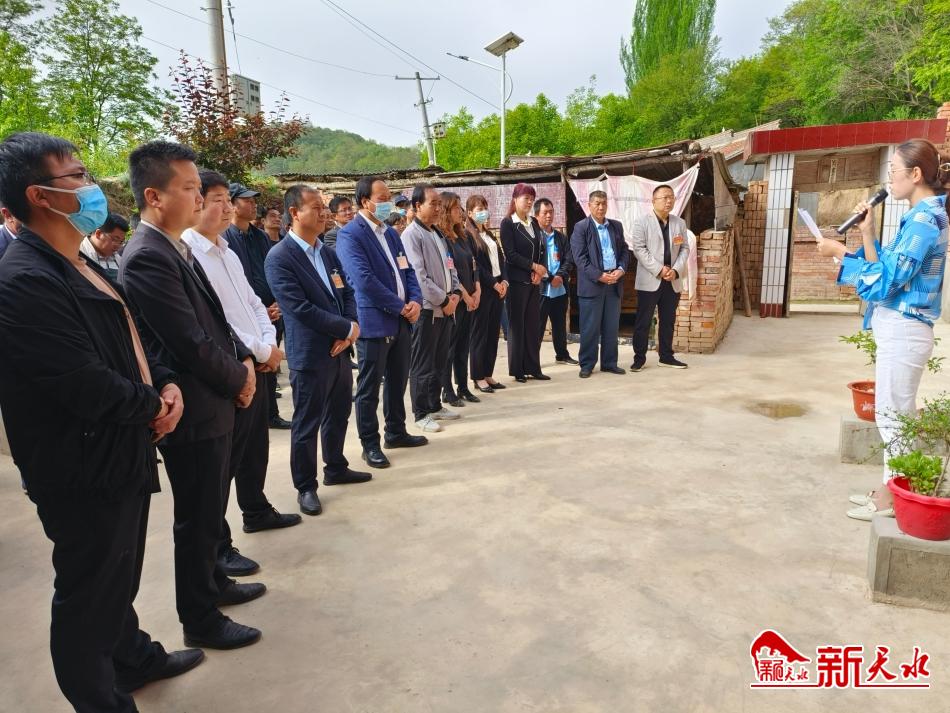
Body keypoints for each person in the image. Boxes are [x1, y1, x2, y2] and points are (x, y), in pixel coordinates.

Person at [0, 132, 203, 712]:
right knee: (89, 596)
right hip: (82, 466)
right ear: (39, 195)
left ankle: (134, 658)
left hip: (119, 451)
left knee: (118, 577)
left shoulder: (78, 262)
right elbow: (82, 382)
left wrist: (165, 382)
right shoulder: (24, 280)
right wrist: (154, 406)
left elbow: (129, 338)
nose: (91, 186)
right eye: (77, 176)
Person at [120, 140, 263, 651]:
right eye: (188, 188)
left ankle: (214, 584)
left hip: (213, 400)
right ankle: (199, 617)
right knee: (197, 516)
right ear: (154, 196)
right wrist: (239, 379)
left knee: (210, 510)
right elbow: (188, 341)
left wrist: (243, 362)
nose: (200, 199)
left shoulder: (174, 246)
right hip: (195, 407)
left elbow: (216, 322)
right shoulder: (147, 256)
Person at [817, 139, 950, 521]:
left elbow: (886, 283)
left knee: (894, 418)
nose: (889, 179)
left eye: (893, 171)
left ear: (915, 174)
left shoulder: (924, 222)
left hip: (906, 329)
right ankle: (891, 492)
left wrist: (841, 255)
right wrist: (867, 233)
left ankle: (894, 499)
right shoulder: (921, 217)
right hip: (899, 327)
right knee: (894, 414)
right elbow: (885, 272)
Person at [182, 170, 301, 548]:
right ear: (195, 203)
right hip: (231, 369)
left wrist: (267, 345)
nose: (227, 208)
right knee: (222, 465)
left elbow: (252, 304)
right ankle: (219, 545)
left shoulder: (226, 252)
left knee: (254, 448)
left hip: (257, 361)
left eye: (227, 201)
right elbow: (216, 322)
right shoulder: (188, 255)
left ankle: (256, 509)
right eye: (217, 200)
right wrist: (261, 351)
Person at [265, 185, 371, 517]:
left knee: (338, 412)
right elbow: (299, 308)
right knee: (307, 423)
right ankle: (305, 486)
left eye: (324, 207)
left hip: (340, 351)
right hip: (311, 354)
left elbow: (347, 292)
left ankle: (335, 466)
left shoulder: (326, 252)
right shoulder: (280, 257)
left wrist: (351, 326)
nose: (324, 212)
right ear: (294, 213)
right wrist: (345, 329)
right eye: (315, 207)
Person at [336, 176, 427, 469]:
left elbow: (408, 270)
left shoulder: (390, 233)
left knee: (398, 380)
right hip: (374, 321)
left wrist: (415, 301)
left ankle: (396, 431)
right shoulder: (351, 235)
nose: (389, 203)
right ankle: (370, 444)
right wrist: (401, 307)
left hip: (402, 320)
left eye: (390, 197)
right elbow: (363, 281)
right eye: (383, 198)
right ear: (366, 201)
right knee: (369, 387)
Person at [225, 183, 290, 430]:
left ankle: (271, 413)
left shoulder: (260, 236)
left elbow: (269, 271)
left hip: (269, 311)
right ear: (233, 205)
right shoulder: (225, 239)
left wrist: (275, 303)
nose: (253, 205)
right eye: (247, 201)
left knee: (270, 362)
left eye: (254, 201)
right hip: (245, 315)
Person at [402, 184, 462, 432]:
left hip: (447, 307)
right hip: (428, 310)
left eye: (439, 204)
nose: (438, 208)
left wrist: (455, 293)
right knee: (423, 363)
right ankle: (420, 412)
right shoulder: (411, 235)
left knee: (440, 360)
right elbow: (419, 277)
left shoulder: (437, 233)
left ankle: (435, 405)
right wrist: (444, 300)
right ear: (417, 206)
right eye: (433, 204)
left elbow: (451, 266)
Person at [630, 184, 690, 371]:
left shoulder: (679, 223)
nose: (669, 201)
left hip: (672, 280)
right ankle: (639, 358)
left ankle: (666, 356)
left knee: (668, 320)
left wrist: (676, 270)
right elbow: (639, 249)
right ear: (653, 200)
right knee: (643, 321)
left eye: (671, 197)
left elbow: (685, 249)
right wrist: (659, 270)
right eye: (664, 197)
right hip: (650, 279)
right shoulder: (641, 222)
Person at [571, 190, 629, 378]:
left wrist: (621, 269)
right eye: (597, 203)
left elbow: (624, 250)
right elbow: (580, 259)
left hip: (614, 282)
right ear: (589, 205)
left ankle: (609, 363)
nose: (601, 207)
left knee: (611, 327)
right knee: (590, 328)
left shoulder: (616, 226)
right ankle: (587, 365)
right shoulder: (581, 227)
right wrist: (600, 275)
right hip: (592, 285)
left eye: (604, 203)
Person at [499, 183, 548, 382]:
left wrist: (540, 270)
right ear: (515, 199)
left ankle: (533, 367)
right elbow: (510, 254)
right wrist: (533, 266)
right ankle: (518, 369)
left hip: (534, 282)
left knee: (532, 325)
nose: (529, 202)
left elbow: (542, 248)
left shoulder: (533, 222)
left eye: (531, 199)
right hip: (517, 281)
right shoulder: (508, 223)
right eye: (525, 198)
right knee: (517, 326)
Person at [438, 191, 482, 406]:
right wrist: (464, 295)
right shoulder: (443, 239)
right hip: (456, 300)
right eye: (456, 208)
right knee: (450, 347)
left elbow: (474, 265)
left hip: (471, 298)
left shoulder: (463, 236)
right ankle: (447, 390)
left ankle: (463, 386)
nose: (460, 212)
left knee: (464, 346)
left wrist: (477, 289)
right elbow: (451, 270)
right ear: (446, 211)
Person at [465, 195, 508, 393]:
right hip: (483, 289)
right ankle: (478, 376)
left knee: (492, 334)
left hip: (499, 288)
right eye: (478, 209)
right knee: (479, 334)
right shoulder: (469, 236)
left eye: (484, 208)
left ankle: (488, 373)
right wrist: (494, 284)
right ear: (469, 213)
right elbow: (478, 267)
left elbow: (501, 260)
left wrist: (504, 281)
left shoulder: (489, 235)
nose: (483, 212)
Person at [535, 197, 577, 366]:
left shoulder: (560, 237)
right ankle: (533, 360)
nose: (549, 216)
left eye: (551, 212)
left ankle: (562, 355)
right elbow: (535, 263)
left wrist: (560, 275)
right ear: (536, 215)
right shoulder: (535, 237)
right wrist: (550, 278)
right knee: (537, 327)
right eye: (545, 212)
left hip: (559, 289)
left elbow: (569, 259)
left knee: (559, 325)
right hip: (542, 290)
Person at [79, 212, 128, 279]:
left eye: (121, 242)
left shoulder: (118, 258)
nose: (118, 246)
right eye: (115, 239)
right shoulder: (79, 254)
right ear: (98, 234)